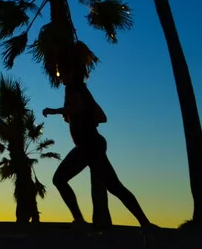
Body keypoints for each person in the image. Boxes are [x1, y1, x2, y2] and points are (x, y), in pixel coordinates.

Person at [43, 75, 155, 233]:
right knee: (114, 186)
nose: (60, 76)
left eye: (62, 72)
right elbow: (101, 117)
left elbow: (80, 108)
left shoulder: (72, 89)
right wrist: (75, 118)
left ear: (72, 71)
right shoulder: (83, 91)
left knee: (60, 179)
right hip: (92, 144)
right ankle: (146, 225)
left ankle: (80, 221)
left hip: (88, 145)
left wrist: (55, 111)